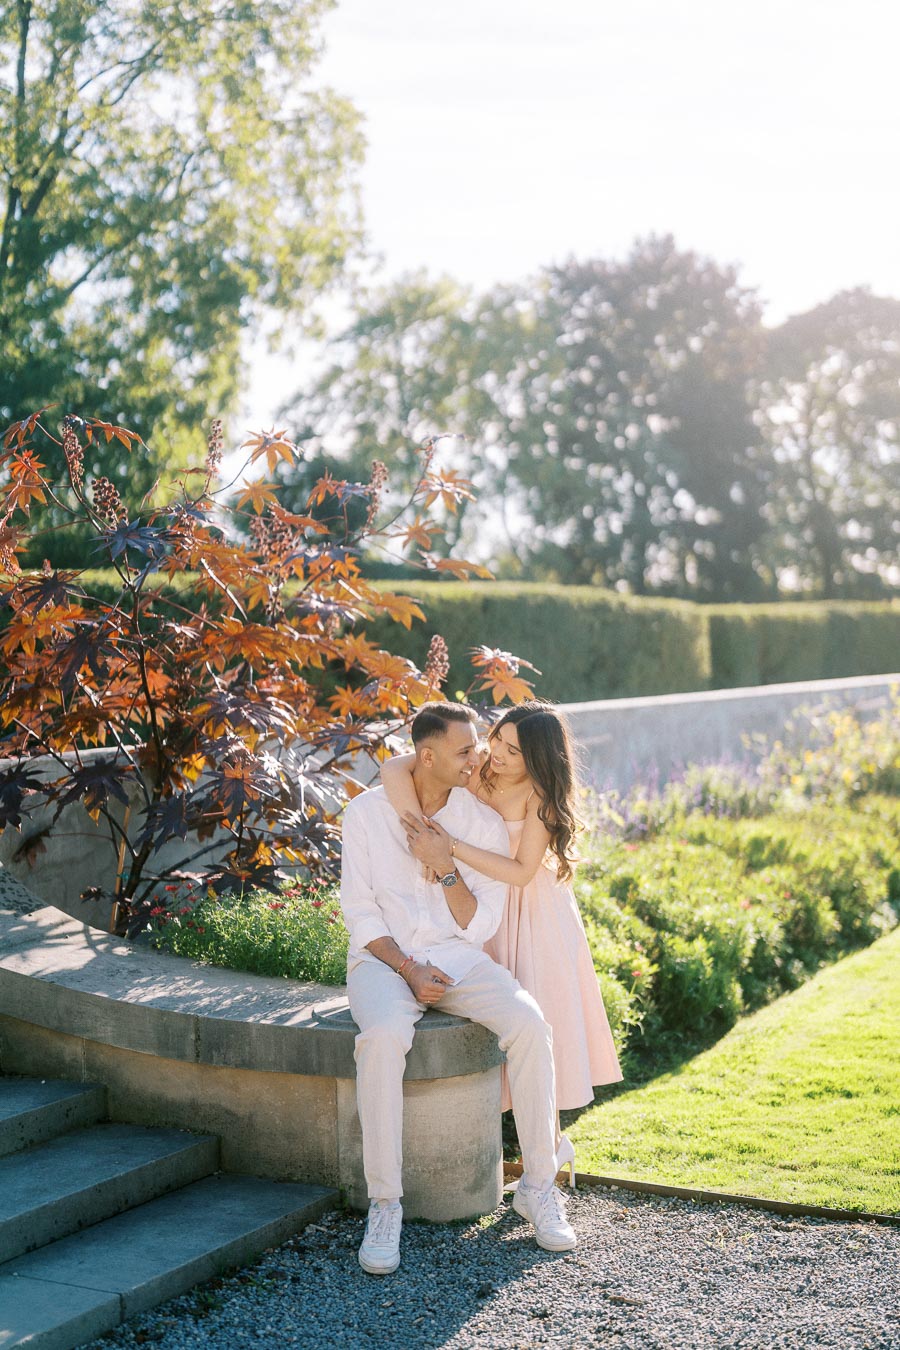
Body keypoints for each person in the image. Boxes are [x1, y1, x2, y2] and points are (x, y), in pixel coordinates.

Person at [340, 700, 577, 1276]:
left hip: (459, 959)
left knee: (529, 1023)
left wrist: (445, 867)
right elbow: (360, 912)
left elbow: (480, 925)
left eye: (484, 746)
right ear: (427, 756)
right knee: (382, 1037)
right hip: (383, 962)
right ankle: (386, 1204)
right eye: (467, 750)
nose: (480, 759)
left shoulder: (482, 822)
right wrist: (407, 968)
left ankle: (538, 1187)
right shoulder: (368, 815)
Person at [382, 699, 622, 1180]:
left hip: (532, 916)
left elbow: (519, 871)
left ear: (538, 758)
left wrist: (446, 849)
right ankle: (514, 1153)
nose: (497, 754)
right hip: (474, 907)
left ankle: (550, 1150)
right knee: (489, 1023)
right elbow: (393, 768)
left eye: (514, 751)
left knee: (539, 1023)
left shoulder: (539, 797)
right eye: (497, 740)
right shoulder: (477, 772)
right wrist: (421, 833)